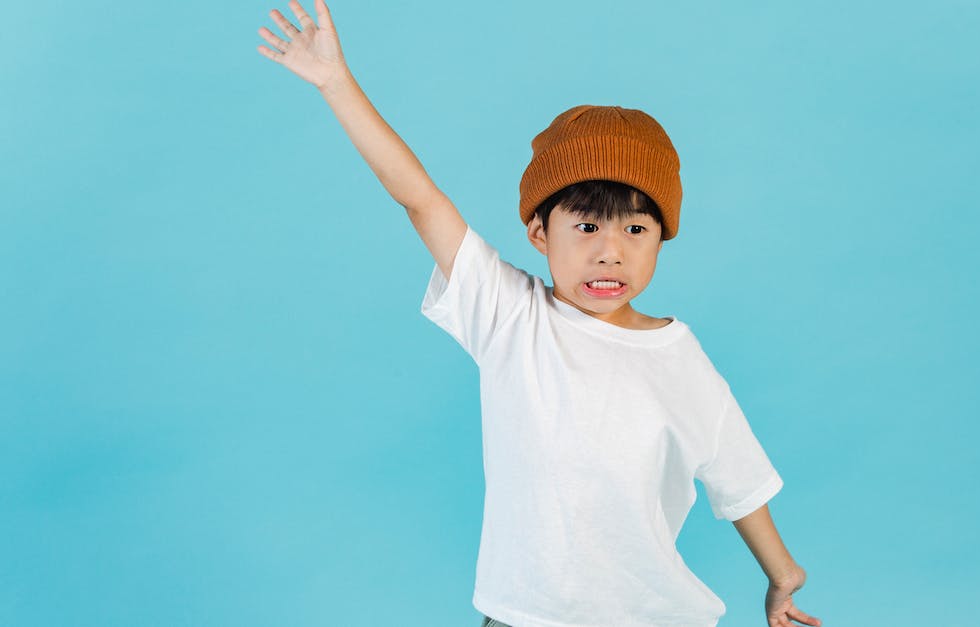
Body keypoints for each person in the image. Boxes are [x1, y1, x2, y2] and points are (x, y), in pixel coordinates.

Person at [256, 2, 821, 626]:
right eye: (587, 226)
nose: (610, 251)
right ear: (538, 233)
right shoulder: (509, 315)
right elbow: (420, 198)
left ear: (662, 239)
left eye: (635, 228)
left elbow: (737, 476)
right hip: (524, 616)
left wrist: (782, 576)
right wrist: (337, 83)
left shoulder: (679, 356)